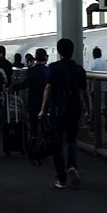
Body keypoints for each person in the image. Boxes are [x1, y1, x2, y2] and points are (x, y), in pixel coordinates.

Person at [39, 38, 89, 188]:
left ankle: (61, 179)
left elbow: (48, 89)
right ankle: (72, 165)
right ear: (72, 51)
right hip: (74, 110)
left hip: (57, 110)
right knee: (72, 141)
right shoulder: (79, 68)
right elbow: (85, 92)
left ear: (59, 51)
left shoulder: (53, 67)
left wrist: (43, 109)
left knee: (57, 144)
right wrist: (88, 111)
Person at [13, 47, 48, 138]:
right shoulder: (48, 71)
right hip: (46, 102)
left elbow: (25, 84)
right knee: (46, 125)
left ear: (36, 57)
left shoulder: (31, 71)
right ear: (45, 57)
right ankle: (46, 143)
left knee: (33, 125)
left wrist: (13, 87)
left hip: (33, 102)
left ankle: (34, 142)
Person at [88, 47, 107, 134]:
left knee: (95, 110)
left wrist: (89, 90)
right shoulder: (106, 62)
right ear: (101, 54)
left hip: (96, 91)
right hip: (106, 90)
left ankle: (93, 129)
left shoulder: (92, 64)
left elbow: (89, 79)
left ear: (93, 55)